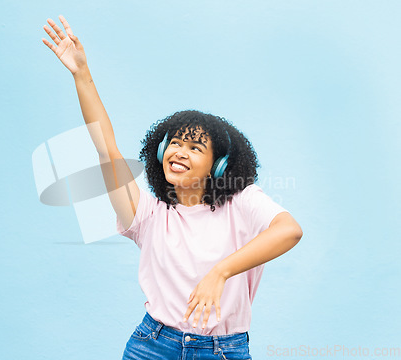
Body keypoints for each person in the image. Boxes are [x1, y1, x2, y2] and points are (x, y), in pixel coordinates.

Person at [42, 15, 303, 360]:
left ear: (219, 165)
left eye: (196, 148)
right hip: (152, 345)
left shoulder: (242, 202)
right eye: (176, 144)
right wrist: (82, 74)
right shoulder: (148, 214)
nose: (180, 152)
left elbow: (290, 231)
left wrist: (220, 272)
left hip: (223, 349)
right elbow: (107, 148)